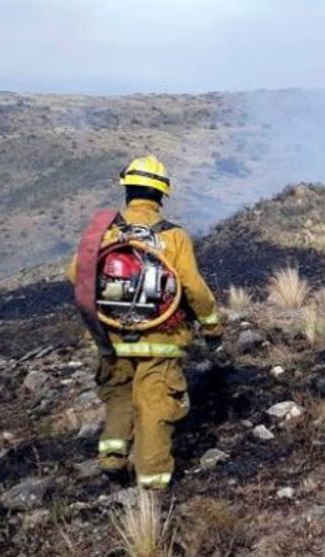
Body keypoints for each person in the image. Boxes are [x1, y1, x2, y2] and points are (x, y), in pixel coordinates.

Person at [67, 155, 222, 491]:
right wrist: (212, 325)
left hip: (111, 335)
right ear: (161, 195)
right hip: (161, 336)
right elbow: (193, 287)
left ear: (127, 190)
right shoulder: (173, 237)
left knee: (119, 396)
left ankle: (113, 457)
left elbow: (75, 273)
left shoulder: (105, 233)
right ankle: (152, 486)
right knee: (154, 405)